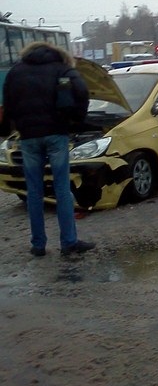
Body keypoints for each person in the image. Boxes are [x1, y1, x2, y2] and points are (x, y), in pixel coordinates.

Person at [2, 41, 95, 257]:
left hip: (28, 137)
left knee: (34, 191)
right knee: (62, 188)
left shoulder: (16, 71)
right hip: (56, 134)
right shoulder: (62, 68)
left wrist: (16, 125)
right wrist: (77, 119)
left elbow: (7, 102)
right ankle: (69, 242)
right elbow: (81, 89)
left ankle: (38, 245)